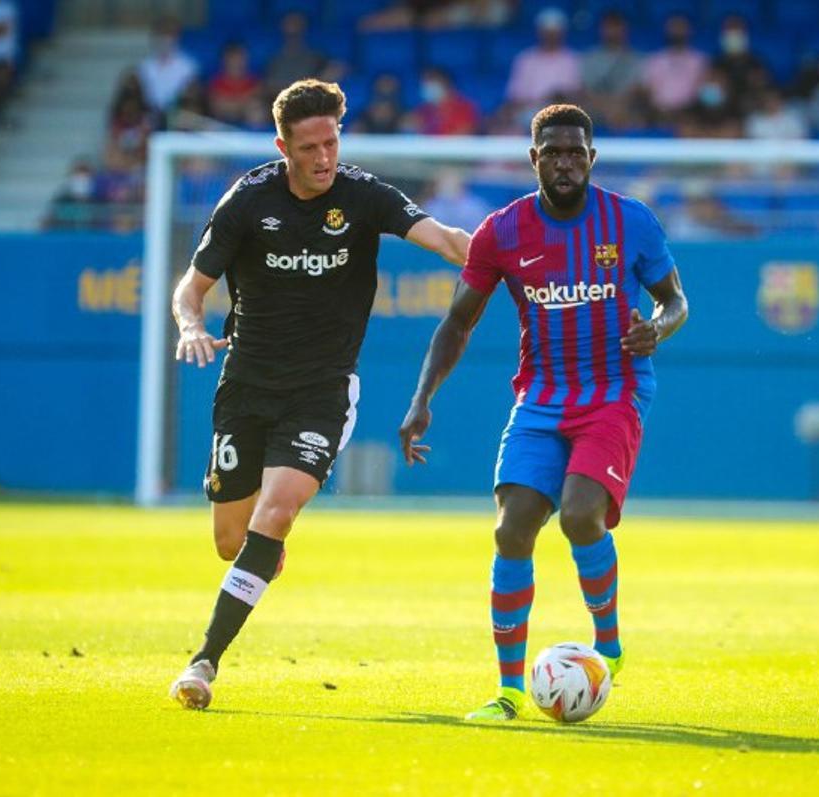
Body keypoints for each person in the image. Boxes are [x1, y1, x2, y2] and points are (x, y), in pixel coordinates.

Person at [167, 79, 471, 710]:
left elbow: (444, 240)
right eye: (309, 147)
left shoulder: (364, 195)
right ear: (284, 146)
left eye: (331, 141)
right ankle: (262, 557)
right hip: (246, 385)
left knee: (274, 515)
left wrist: (518, 263)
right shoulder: (247, 201)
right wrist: (192, 325)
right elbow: (189, 289)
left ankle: (204, 662)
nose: (324, 157)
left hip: (321, 390)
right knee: (234, 541)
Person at [398, 104, 688, 721]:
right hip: (541, 398)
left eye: (576, 152)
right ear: (534, 158)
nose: (565, 163)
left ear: (591, 158)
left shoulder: (629, 221)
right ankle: (507, 693)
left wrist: (656, 330)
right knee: (511, 530)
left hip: (614, 393)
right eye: (553, 152)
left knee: (581, 517)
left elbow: (675, 301)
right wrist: (423, 400)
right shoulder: (500, 232)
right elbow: (457, 322)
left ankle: (607, 644)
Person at [638, 13, 708, 124]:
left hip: (690, 112)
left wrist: (687, 109)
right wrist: (660, 108)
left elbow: (704, 90)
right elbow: (647, 90)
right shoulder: (655, 60)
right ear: (667, 31)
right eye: (674, 28)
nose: (678, 32)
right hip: (658, 112)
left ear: (689, 31)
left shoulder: (700, 60)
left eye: (681, 27)